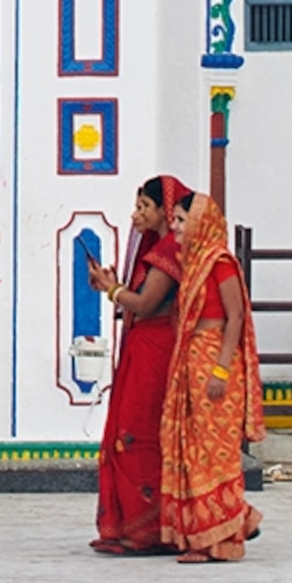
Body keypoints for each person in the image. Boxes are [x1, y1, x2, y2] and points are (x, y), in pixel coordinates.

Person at [87, 175, 190, 554]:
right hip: (143, 346)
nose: (136, 215)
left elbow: (146, 305)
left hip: (156, 349)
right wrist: (115, 288)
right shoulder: (157, 249)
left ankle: (150, 527)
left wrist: (110, 289)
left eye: (144, 207)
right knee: (129, 431)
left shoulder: (167, 251)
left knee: (139, 433)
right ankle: (139, 524)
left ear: (164, 210)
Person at [159, 191, 264, 561]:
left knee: (212, 455)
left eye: (182, 221)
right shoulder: (193, 262)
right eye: (174, 221)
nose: (175, 228)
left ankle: (217, 540)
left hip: (216, 363)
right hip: (192, 360)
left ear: (202, 223)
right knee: (192, 450)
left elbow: (234, 317)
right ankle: (230, 523)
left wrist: (220, 369)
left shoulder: (220, 263)